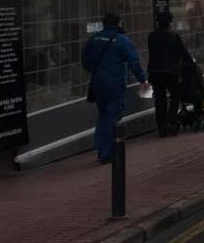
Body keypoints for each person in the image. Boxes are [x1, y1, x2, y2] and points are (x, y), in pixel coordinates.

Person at [82, 13, 148, 164]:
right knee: (113, 116)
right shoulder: (122, 40)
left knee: (103, 115)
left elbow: (85, 59)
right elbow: (134, 62)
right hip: (114, 83)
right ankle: (107, 152)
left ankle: (100, 148)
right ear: (118, 23)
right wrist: (143, 80)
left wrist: (97, 71)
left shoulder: (95, 38)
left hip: (98, 83)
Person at [147, 12, 192, 137]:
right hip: (171, 72)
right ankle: (170, 121)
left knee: (159, 99)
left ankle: (161, 127)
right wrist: (189, 61)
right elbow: (183, 53)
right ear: (170, 22)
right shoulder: (174, 36)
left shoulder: (151, 36)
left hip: (155, 72)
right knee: (175, 96)